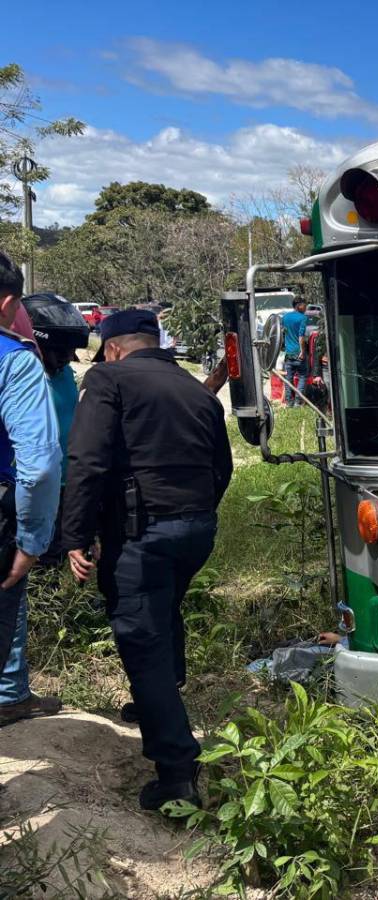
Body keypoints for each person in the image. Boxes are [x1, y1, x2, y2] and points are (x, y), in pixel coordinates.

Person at [63, 309, 233, 809]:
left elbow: (86, 461)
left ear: (113, 347)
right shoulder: (196, 389)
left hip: (142, 533)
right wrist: (195, 514)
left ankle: (177, 772)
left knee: (141, 639)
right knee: (164, 608)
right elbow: (220, 468)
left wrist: (74, 534)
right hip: (196, 529)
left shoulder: (107, 378)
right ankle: (156, 699)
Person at [0, 295, 88, 725]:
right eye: (63, 350)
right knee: (11, 594)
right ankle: (10, 691)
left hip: (57, 491)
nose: (71, 359)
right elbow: (37, 463)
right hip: (20, 497)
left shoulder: (61, 374)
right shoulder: (22, 370)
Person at [0, 253, 63, 727]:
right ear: (7, 303)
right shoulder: (15, 361)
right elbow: (39, 467)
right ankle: (8, 695)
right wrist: (32, 539)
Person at [281, 297, 309, 407]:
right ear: (298, 306)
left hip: (288, 354)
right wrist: (303, 351)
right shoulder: (302, 318)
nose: (306, 307)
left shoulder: (285, 317)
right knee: (302, 376)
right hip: (298, 353)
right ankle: (298, 402)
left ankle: (288, 402)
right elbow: (301, 337)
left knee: (288, 379)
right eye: (304, 305)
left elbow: (283, 333)